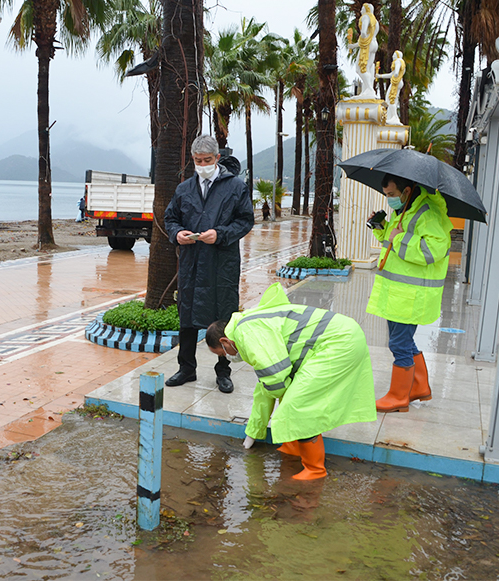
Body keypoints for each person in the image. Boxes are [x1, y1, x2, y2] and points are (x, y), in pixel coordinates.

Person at [206, 283, 376, 480]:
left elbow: (275, 380)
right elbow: (265, 389)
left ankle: (315, 469)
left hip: (338, 342)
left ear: (225, 342)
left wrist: (284, 406)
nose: (227, 358)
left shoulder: (247, 334)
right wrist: (253, 432)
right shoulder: (246, 326)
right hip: (342, 335)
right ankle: (293, 446)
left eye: (222, 354)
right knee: (288, 397)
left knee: (298, 405)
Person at [164, 135, 254, 394]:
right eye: (197, 160)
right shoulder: (184, 189)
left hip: (221, 262)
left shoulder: (236, 186)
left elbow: (245, 221)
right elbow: (171, 218)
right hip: (192, 263)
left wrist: (221, 234)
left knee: (223, 317)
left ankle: (223, 372)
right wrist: (177, 233)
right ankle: (186, 368)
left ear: (217, 158)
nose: (201, 164)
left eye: (206, 160)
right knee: (187, 316)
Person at [367, 174, 453, 413]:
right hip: (397, 293)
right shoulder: (404, 209)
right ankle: (419, 387)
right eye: (386, 195)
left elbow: (434, 250)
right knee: (402, 341)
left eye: (392, 195)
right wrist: (381, 227)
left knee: (399, 343)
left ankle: (398, 397)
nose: (389, 200)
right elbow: (390, 242)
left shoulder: (429, 213)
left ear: (406, 190)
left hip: (412, 295)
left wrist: (401, 237)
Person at [345, 3, 379, 100]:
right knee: (368, 68)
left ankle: (369, 89)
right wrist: (354, 45)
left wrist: (357, 42)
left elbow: (364, 33)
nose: (360, 11)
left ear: (366, 9)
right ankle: (366, 90)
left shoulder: (365, 17)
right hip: (374, 44)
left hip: (367, 45)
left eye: (362, 9)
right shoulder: (375, 21)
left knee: (360, 68)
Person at [376, 50, 406, 126]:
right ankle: (391, 116)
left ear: (397, 55)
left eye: (394, 55)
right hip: (398, 82)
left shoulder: (398, 61)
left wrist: (396, 73)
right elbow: (391, 74)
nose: (392, 56)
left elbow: (395, 72)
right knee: (391, 99)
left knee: (391, 99)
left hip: (396, 82)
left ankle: (394, 117)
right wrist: (380, 76)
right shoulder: (401, 62)